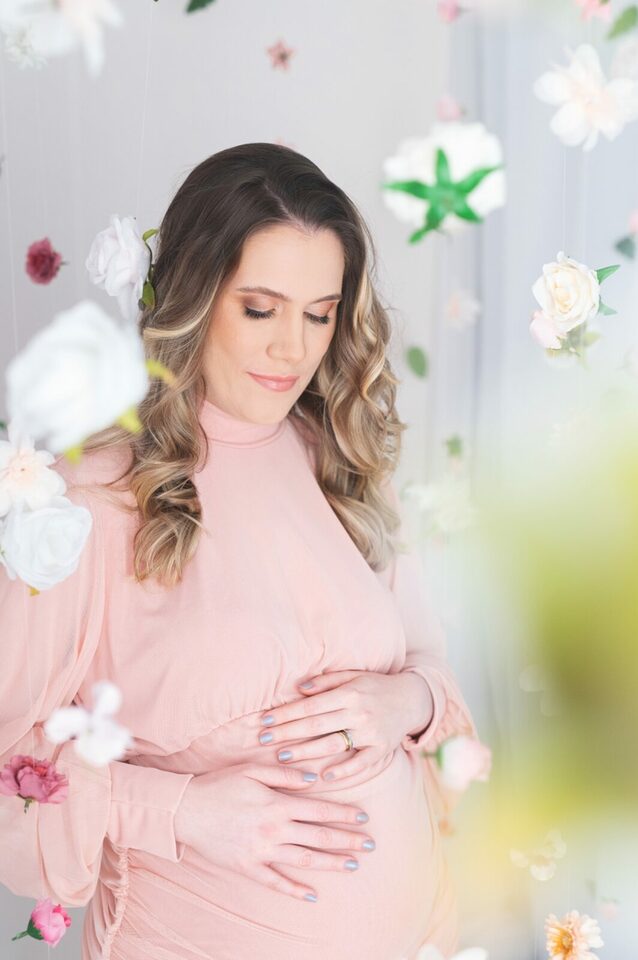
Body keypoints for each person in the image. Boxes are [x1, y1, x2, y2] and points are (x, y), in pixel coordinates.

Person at [0, 142, 477, 960]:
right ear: (193, 297)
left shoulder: (342, 462)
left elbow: (431, 659)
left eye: (320, 314)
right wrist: (181, 812)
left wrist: (409, 702)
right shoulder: (86, 501)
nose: (294, 348)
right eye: (261, 309)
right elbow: (9, 761)